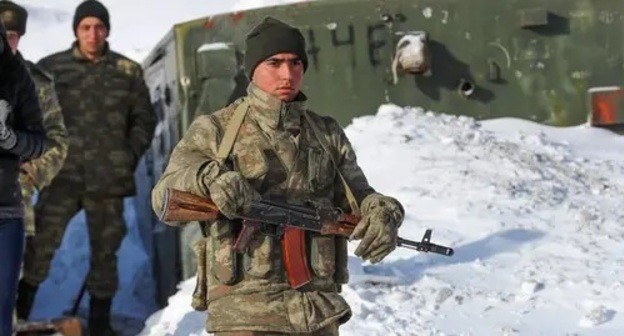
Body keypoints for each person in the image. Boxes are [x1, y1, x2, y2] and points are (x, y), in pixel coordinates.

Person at [151, 16, 404, 335]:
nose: (287, 74)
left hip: (316, 313)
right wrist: (209, 177)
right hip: (245, 316)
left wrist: (383, 213)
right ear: (252, 68)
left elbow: (359, 196)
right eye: (275, 62)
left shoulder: (325, 133)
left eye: (295, 62)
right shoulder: (216, 130)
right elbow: (163, 197)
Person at [17, 1, 157, 335]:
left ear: (107, 30)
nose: (93, 34)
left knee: (105, 255)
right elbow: (28, 115)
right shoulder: (51, 68)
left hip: (108, 180)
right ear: (76, 30)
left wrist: (128, 155)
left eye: (99, 27)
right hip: (61, 176)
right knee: (40, 246)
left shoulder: (127, 70)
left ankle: (98, 325)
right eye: (86, 27)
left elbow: (143, 119)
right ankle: (17, 315)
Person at [0, 0, 69, 261]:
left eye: (12, 36)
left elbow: (56, 141)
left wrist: (28, 176)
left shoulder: (35, 83)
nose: (6, 42)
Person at [0, 17, 46, 335]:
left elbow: (39, 140)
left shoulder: (16, 76)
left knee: (2, 314)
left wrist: (10, 139)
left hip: (6, 215)